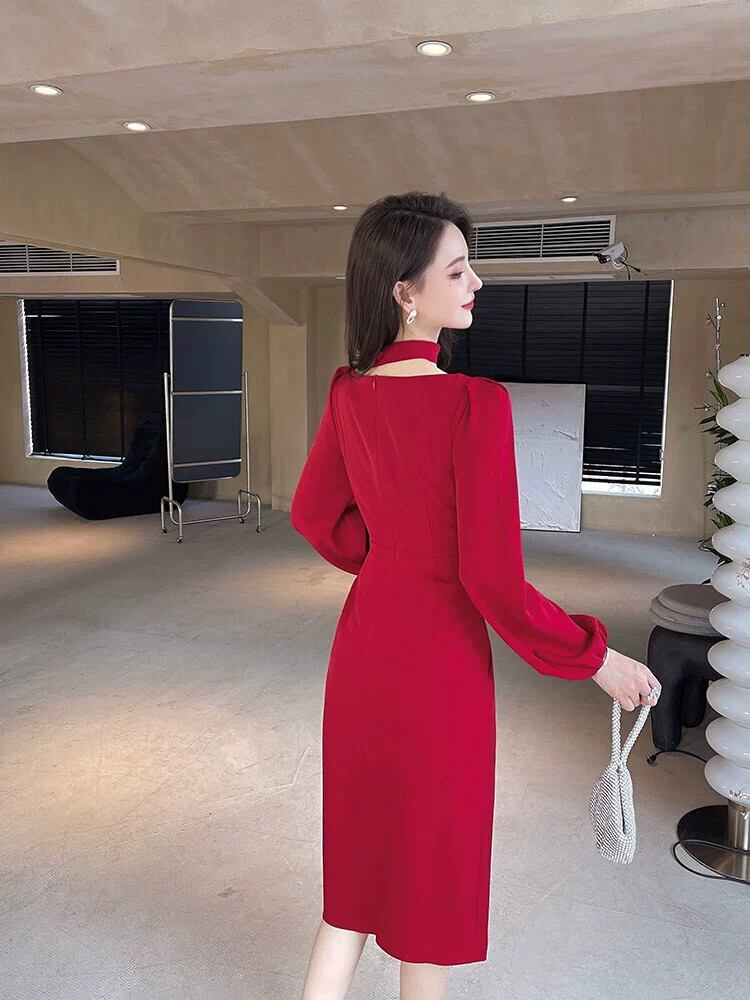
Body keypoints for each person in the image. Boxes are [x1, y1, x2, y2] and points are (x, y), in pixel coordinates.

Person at [290, 191, 661, 1000]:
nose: (477, 283)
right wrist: (595, 659)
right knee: (427, 890)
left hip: (364, 653)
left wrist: (389, 563)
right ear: (405, 292)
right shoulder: (473, 404)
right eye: (458, 270)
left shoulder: (348, 390)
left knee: (354, 883)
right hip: (439, 667)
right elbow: (491, 580)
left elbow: (314, 515)